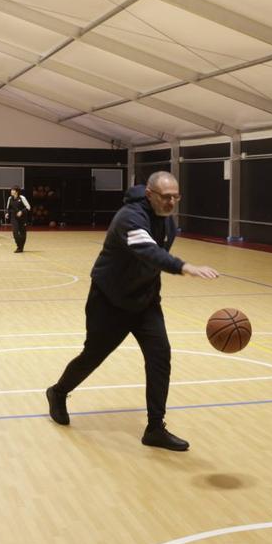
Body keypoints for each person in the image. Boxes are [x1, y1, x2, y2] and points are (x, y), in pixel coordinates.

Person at [46, 171, 218, 451]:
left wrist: (153, 292)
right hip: (109, 302)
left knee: (160, 356)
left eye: (176, 197)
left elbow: (150, 266)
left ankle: (155, 427)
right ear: (149, 195)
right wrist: (184, 267)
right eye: (166, 197)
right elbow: (148, 251)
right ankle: (58, 392)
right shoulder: (129, 217)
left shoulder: (167, 221)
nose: (171, 202)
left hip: (145, 302)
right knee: (93, 355)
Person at [5, 187, 31, 253]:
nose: (11, 191)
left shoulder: (22, 198)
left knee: (22, 233)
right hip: (14, 218)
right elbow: (8, 208)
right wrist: (7, 213)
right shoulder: (10, 198)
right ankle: (19, 246)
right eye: (11, 190)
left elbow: (28, 207)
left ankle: (21, 247)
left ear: (17, 191)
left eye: (13, 190)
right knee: (15, 233)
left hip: (22, 218)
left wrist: (21, 212)